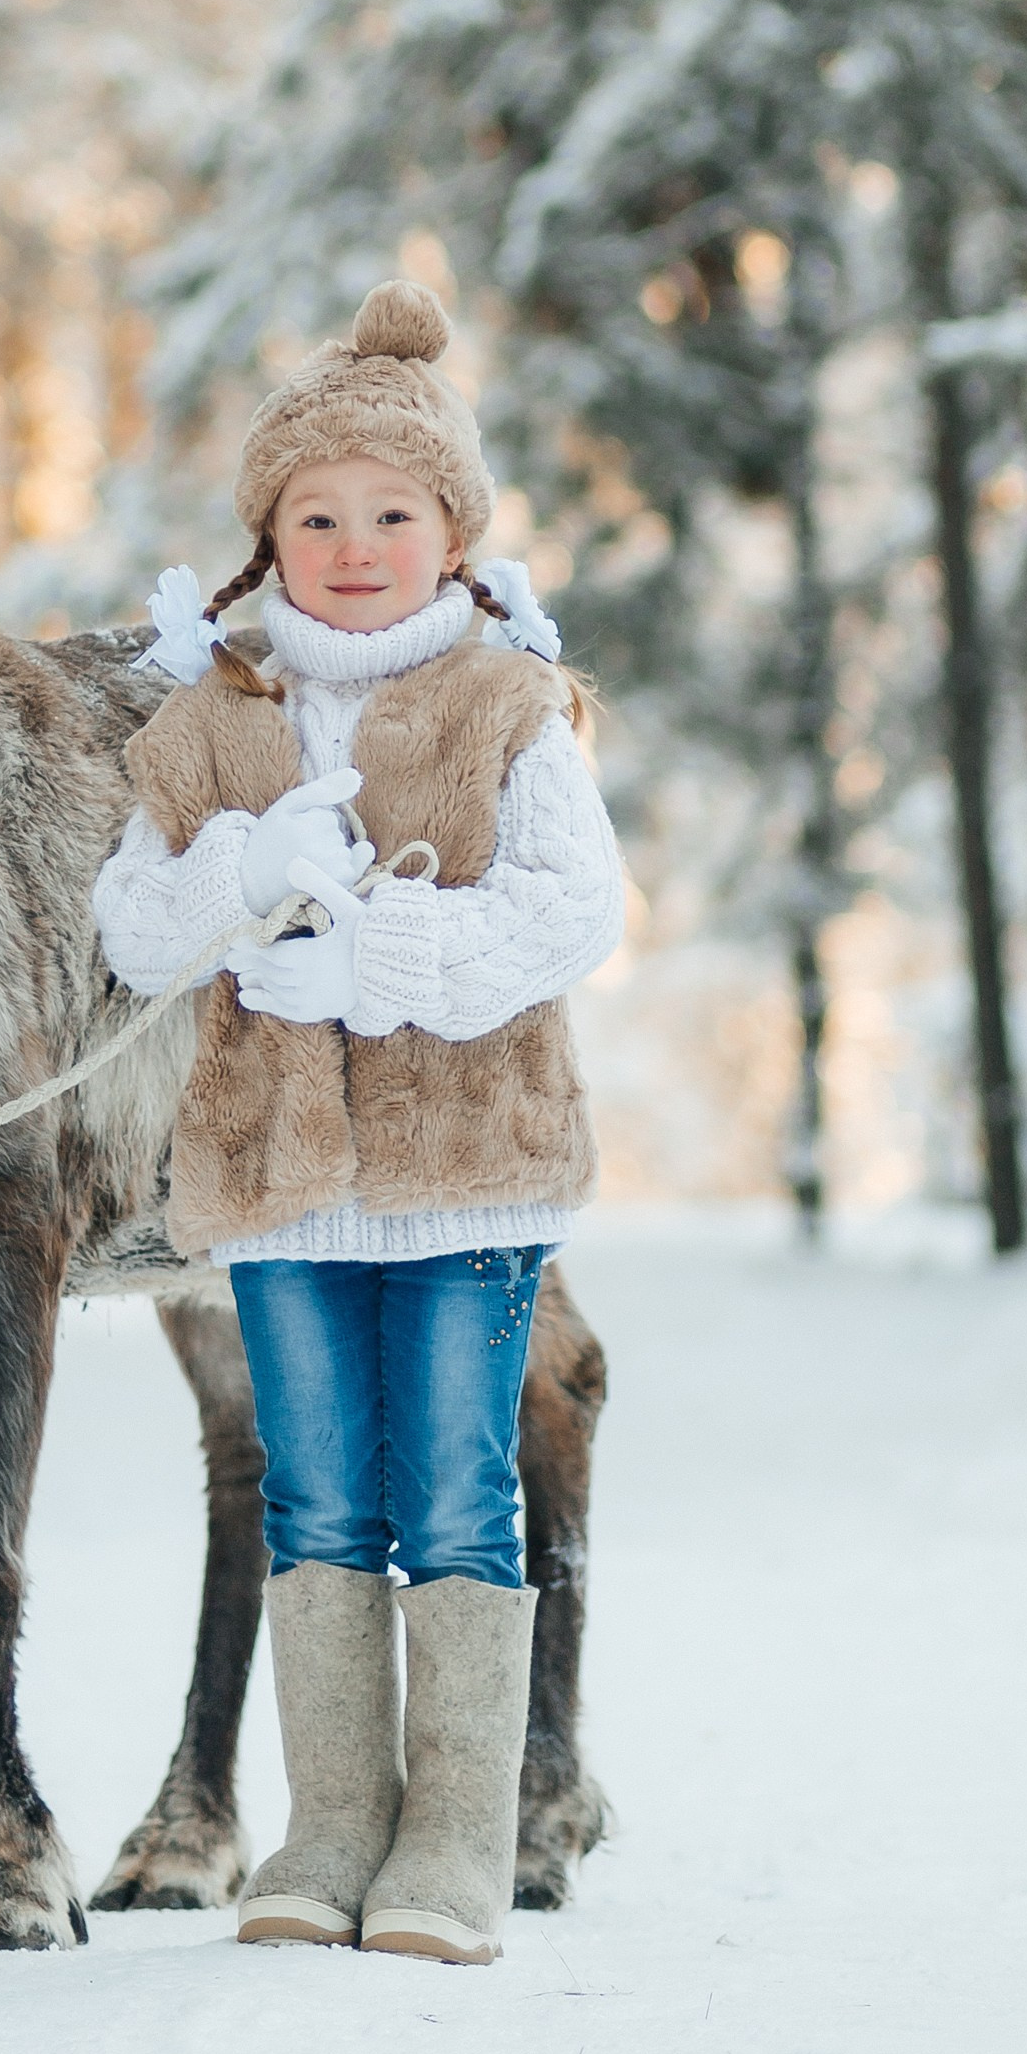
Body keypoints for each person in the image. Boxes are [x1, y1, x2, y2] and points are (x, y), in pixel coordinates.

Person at [94, 280, 623, 1966]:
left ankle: (455, 1843)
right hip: (276, 1187)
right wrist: (240, 881)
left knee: (457, 1499)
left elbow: (568, 914)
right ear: (267, 534)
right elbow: (128, 929)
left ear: (451, 532)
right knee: (316, 1496)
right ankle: (329, 1832)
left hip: (468, 1177)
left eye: (390, 512)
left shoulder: (509, 710)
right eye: (313, 514)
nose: (351, 542)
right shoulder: (206, 725)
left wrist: (377, 960)